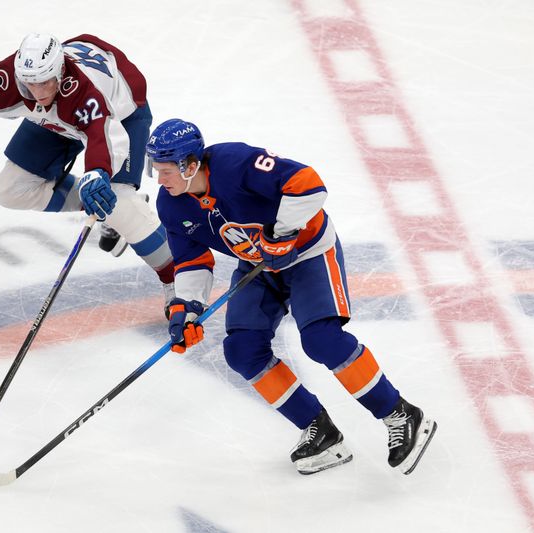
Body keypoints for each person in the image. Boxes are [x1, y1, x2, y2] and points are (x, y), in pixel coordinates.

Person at [147, 118, 437, 475]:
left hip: (309, 254)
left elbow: (308, 183)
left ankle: (400, 414)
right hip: (258, 266)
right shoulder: (172, 205)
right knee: (242, 350)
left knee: (321, 340)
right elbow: (192, 260)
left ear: (190, 165)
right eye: (154, 170)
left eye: (164, 171)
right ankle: (320, 430)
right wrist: (187, 309)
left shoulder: (235, 163)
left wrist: (283, 232)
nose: (159, 180)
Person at [0, 33, 175, 312]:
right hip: (59, 121)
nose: (38, 92)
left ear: (60, 73)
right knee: (10, 189)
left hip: (121, 112)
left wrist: (98, 173)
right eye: (30, 84)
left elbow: (102, 133)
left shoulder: (84, 92)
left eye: (46, 82)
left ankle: (178, 281)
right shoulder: (6, 82)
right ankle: (104, 207)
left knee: (120, 201)